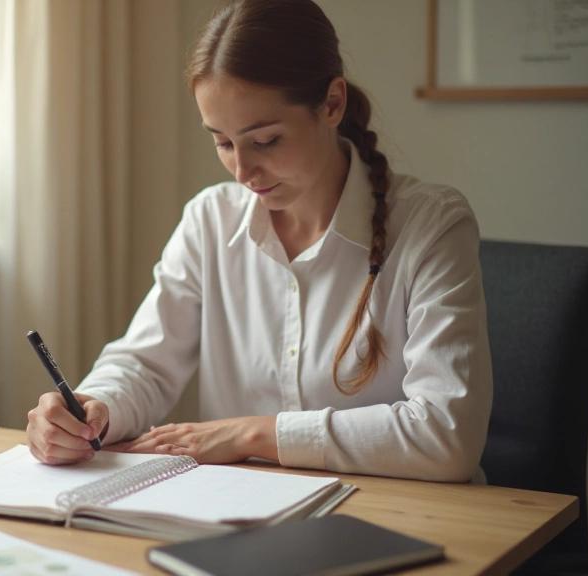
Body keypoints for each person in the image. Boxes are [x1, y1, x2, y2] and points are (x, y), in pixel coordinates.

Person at [25, 0, 492, 483]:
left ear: (332, 104)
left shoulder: (432, 225)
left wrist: (252, 435)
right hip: (240, 516)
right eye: (223, 142)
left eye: (265, 140)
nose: (243, 172)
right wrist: (93, 406)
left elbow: (447, 435)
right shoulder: (211, 219)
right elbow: (145, 363)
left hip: (395, 518)